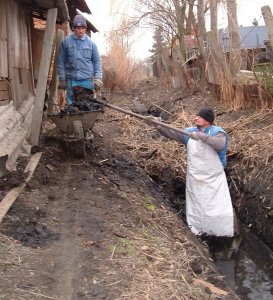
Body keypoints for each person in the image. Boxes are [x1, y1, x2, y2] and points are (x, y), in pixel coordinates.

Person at [147, 108, 234, 237]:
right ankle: (199, 233)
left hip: (214, 181)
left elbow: (219, 145)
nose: (196, 118)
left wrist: (201, 136)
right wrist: (158, 124)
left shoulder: (218, 132)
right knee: (198, 207)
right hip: (195, 179)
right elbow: (172, 132)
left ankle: (221, 233)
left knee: (216, 207)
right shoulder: (190, 132)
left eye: (199, 116)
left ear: (207, 120)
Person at [57, 15, 103, 105]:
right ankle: (72, 119)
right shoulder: (66, 42)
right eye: (78, 28)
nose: (81, 31)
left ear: (85, 28)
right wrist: (62, 79)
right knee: (71, 105)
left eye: (83, 28)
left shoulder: (91, 44)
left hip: (87, 81)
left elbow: (97, 62)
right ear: (74, 28)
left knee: (88, 104)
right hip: (71, 80)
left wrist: (98, 78)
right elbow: (60, 61)